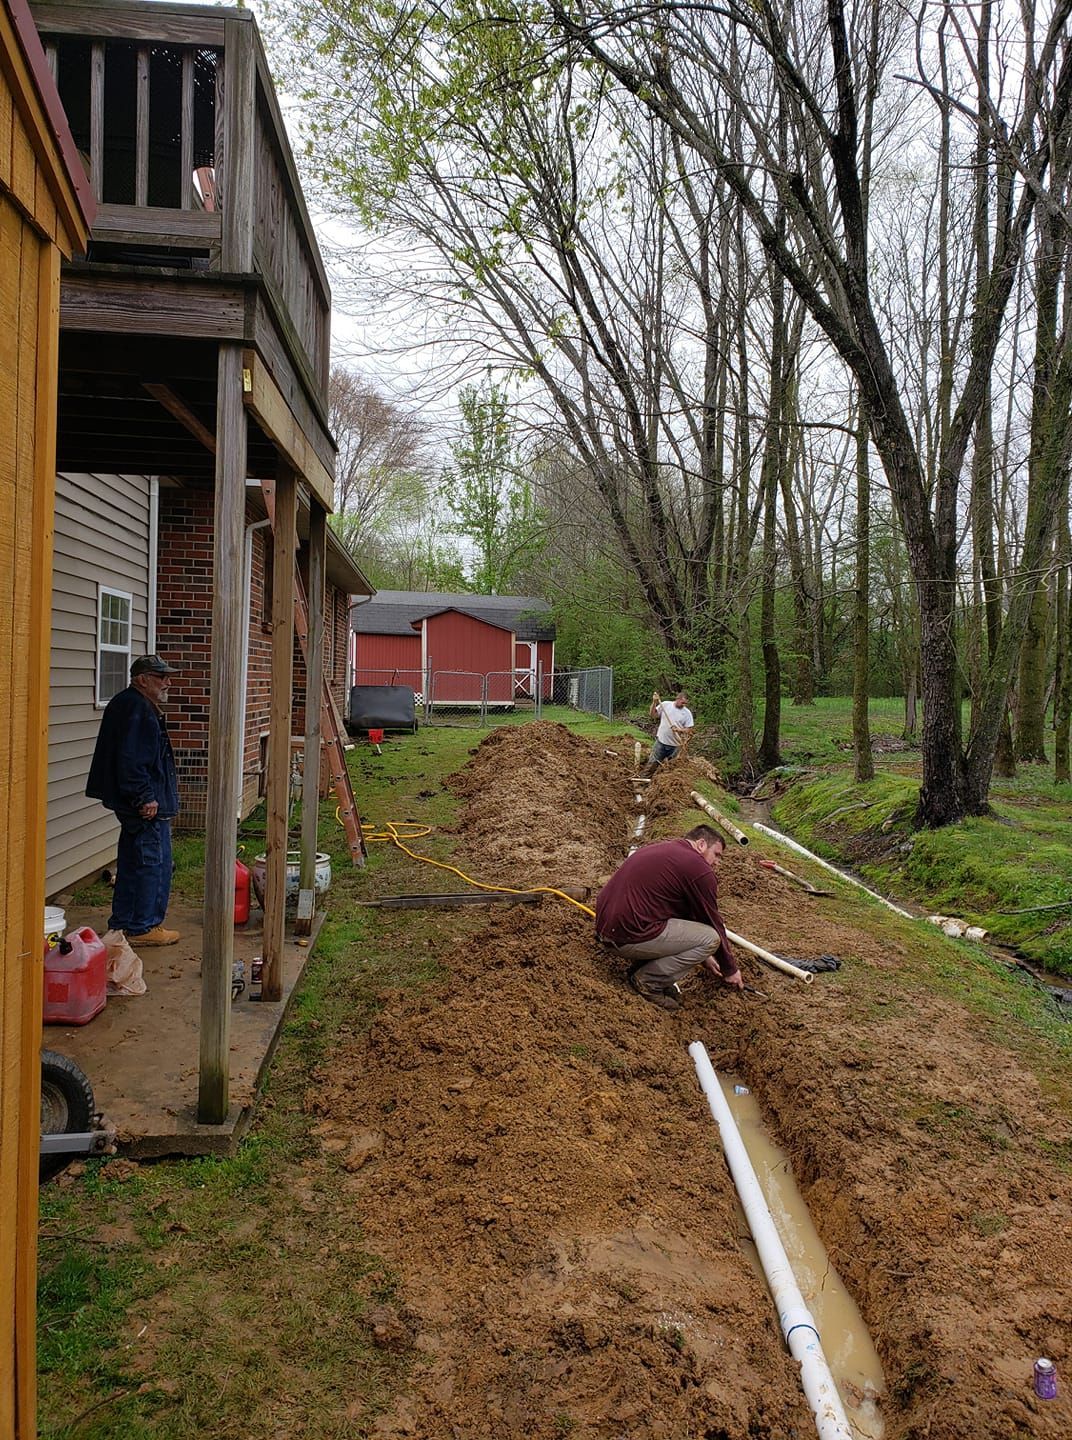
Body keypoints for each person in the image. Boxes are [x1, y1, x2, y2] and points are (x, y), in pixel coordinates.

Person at [595, 825, 744, 1011]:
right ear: (701, 844)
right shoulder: (698, 869)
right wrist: (729, 969)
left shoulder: (664, 850)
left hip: (607, 928)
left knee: (701, 939)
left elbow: (681, 914)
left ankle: (641, 968)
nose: (717, 862)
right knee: (710, 938)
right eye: (717, 854)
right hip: (626, 936)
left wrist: (703, 957)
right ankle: (648, 981)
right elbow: (712, 921)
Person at [86, 654, 181, 945]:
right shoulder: (138, 709)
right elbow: (132, 761)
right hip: (143, 805)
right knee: (153, 862)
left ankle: (123, 923)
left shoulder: (127, 703)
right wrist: (145, 798)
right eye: (161, 677)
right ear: (142, 679)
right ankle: (144, 927)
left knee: (131, 862)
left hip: (130, 802)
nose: (168, 682)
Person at [638, 688, 694, 778]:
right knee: (652, 763)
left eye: (685, 704)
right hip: (661, 742)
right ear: (677, 699)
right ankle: (642, 782)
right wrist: (654, 702)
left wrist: (679, 730)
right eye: (682, 703)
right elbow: (653, 715)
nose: (684, 705)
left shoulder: (687, 713)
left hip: (676, 746)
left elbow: (689, 730)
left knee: (671, 768)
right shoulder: (665, 705)